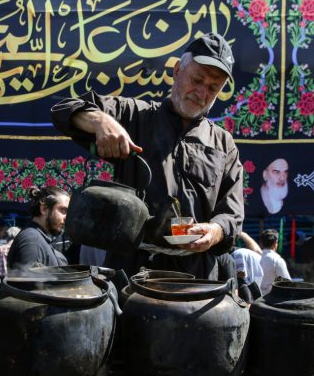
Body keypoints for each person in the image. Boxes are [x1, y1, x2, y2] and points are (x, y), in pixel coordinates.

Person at [51, 32, 243, 280]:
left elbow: (232, 212)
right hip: (133, 270)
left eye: (212, 88)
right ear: (176, 71)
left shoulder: (223, 143)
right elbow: (62, 110)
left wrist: (215, 231)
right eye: (197, 79)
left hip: (197, 277)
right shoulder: (136, 116)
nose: (201, 92)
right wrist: (100, 121)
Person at [7, 187, 70, 269]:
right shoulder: (32, 241)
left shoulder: (39, 239)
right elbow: (28, 281)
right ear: (44, 209)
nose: (67, 218)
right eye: (63, 211)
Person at [259, 229, 290, 296]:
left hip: (257, 298)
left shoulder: (256, 258)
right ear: (275, 243)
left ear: (261, 243)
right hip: (273, 300)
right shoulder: (277, 260)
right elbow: (287, 283)